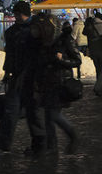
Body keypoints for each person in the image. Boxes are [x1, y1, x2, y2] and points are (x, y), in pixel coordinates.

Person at [0, 1, 46, 155]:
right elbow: (11, 54)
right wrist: (7, 72)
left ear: (19, 14)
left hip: (32, 77)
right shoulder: (14, 31)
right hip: (18, 77)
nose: (16, 17)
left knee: (33, 111)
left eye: (16, 14)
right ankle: (4, 141)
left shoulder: (37, 29)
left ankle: (39, 144)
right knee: (11, 109)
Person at [34, 14, 80, 153]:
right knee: (48, 115)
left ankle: (73, 135)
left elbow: (77, 60)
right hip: (46, 82)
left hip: (60, 82)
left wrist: (61, 61)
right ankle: (51, 146)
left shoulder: (64, 40)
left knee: (53, 114)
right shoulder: (42, 42)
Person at [84, 13, 102, 97]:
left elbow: (84, 33)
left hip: (93, 50)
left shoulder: (90, 26)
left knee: (98, 69)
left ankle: (100, 90)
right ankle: (98, 86)